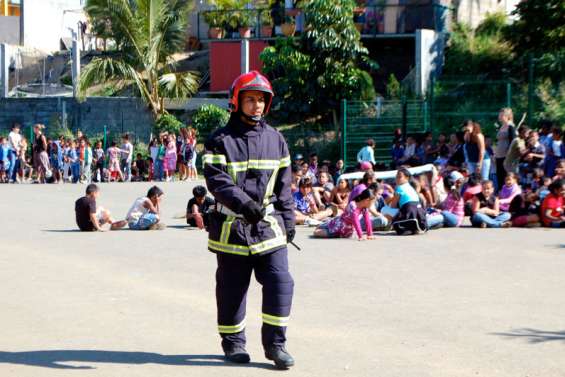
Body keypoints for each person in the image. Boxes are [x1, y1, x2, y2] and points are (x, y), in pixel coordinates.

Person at [203, 71, 296, 369]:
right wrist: (243, 204)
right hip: (232, 229)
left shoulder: (276, 140)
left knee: (281, 282)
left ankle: (276, 345)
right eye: (250, 99)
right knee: (232, 289)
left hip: (269, 228)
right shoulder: (219, 140)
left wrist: (289, 219)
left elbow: (284, 185)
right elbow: (216, 181)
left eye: (261, 100)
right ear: (236, 101)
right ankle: (233, 344)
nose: (257, 105)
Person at [495, 108, 516, 189]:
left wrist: (509, 155)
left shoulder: (511, 127)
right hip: (498, 156)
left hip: (506, 156)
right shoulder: (502, 126)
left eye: (501, 115)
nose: (499, 116)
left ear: (507, 116)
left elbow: (513, 142)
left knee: (505, 175)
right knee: (499, 175)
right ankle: (501, 192)